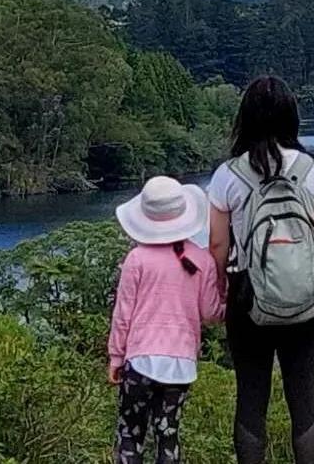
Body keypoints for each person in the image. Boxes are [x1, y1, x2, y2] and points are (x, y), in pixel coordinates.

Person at [208, 75, 314, 464]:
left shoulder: (228, 175)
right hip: (306, 302)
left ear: (245, 119)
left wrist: (220, 293)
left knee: (251, 399)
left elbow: (218, 245)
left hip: (246, 300)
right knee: (305, 401)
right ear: (291, 117)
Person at [109, 175, 225, 464]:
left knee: (129, 434)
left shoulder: (136, 259)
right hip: (180, 365)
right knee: (168, 434)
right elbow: (211, 314)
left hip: (140, 361)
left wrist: (115, 357)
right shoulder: (202, 261)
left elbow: (123, 313)